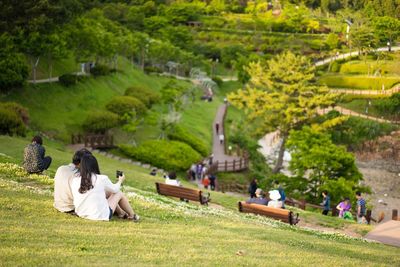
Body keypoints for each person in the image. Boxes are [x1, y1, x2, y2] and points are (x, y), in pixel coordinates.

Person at [71, 155, 139, 222]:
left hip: (81, 213)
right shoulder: (101, 178)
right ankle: (132, 215)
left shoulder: (75, 180)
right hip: (99, 216)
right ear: (95, 165)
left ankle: (121, 213)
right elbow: (115, 189)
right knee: (119, 193)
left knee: (107, 192)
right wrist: (120, 181)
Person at [53, 148, 92, 213]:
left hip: (58, 205)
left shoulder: (61, 168)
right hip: (70, 208)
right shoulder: (78, 175)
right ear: (82, 163)